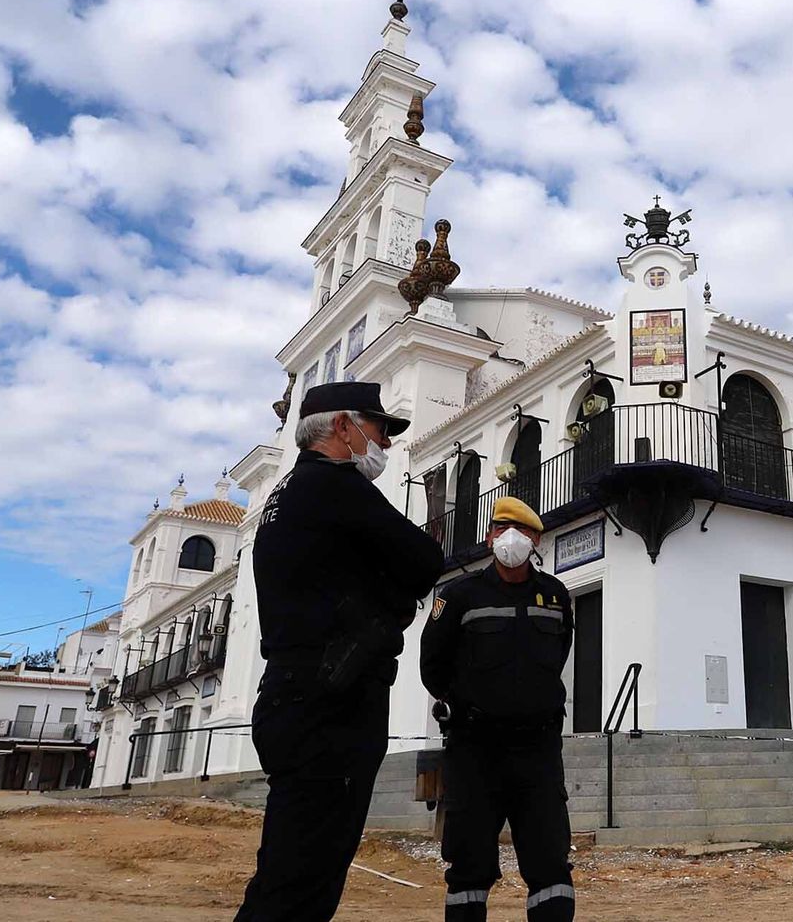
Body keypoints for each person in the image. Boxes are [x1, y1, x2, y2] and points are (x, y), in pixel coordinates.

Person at [234, 381, 446, 922]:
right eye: (380, 429)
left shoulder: (287, 494)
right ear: (344, 427)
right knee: (302, 883)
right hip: (332, 704)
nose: (388, 443)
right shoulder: (336, 486)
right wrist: (393, 595)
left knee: (289, 870)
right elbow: (424, 560)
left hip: (294, 693)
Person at [420, 496, 576, 921]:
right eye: (501, 528)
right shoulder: (459, 596)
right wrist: (467, 703)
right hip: (475, 750)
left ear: (536, 539)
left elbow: (558, 655)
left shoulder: (556, 595)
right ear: (489, 536)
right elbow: (432, 664)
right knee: (468, 865)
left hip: (538, 752)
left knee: (549, 862)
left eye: (522, 531)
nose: (511, 538)